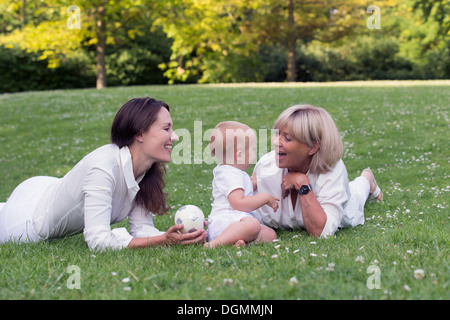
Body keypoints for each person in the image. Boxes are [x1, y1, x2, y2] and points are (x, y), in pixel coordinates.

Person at [0, 97, 207, 250]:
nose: (175, 136)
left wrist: (180, 235)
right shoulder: (103, 166)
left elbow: (142, 230)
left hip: (48, 189)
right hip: (26, 219)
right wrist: (163, 240)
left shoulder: (145, 170)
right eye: (166, 129)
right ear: (139, 134)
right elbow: (98, 242)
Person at [253, 105, 383, 238]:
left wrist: (301, 182)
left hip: (344, 203)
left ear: (313, 147)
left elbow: (320, 232)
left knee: (356, 194)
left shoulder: (333, 171)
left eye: (287, 138)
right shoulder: (265, 166)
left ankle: (367, 179)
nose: (275, 142)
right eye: (276, 134)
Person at [205, 121, 279, 248]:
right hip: (226, 222)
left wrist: (252, 184)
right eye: (253, 150)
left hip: (236, 222)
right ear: (239, 155)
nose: (255, 153)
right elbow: (239, 203)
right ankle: (215, 243)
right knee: (253, 225)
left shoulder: (234, 172)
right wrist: (265, 198)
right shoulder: (229, 174)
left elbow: (239, 190)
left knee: (270, 234)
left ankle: (240, 243)